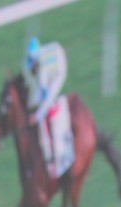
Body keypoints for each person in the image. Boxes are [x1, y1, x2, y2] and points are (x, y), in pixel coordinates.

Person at [23, 36, 70, 179]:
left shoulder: (43, 73)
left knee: (51, 113)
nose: (30, 69)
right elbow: (38, 93)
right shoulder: (39, 61)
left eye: (31, 66)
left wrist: (37, 116)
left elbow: (47, 96)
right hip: (56, 53)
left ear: (35, 62)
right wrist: (31, 105)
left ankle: (59, 160)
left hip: (59, 69)